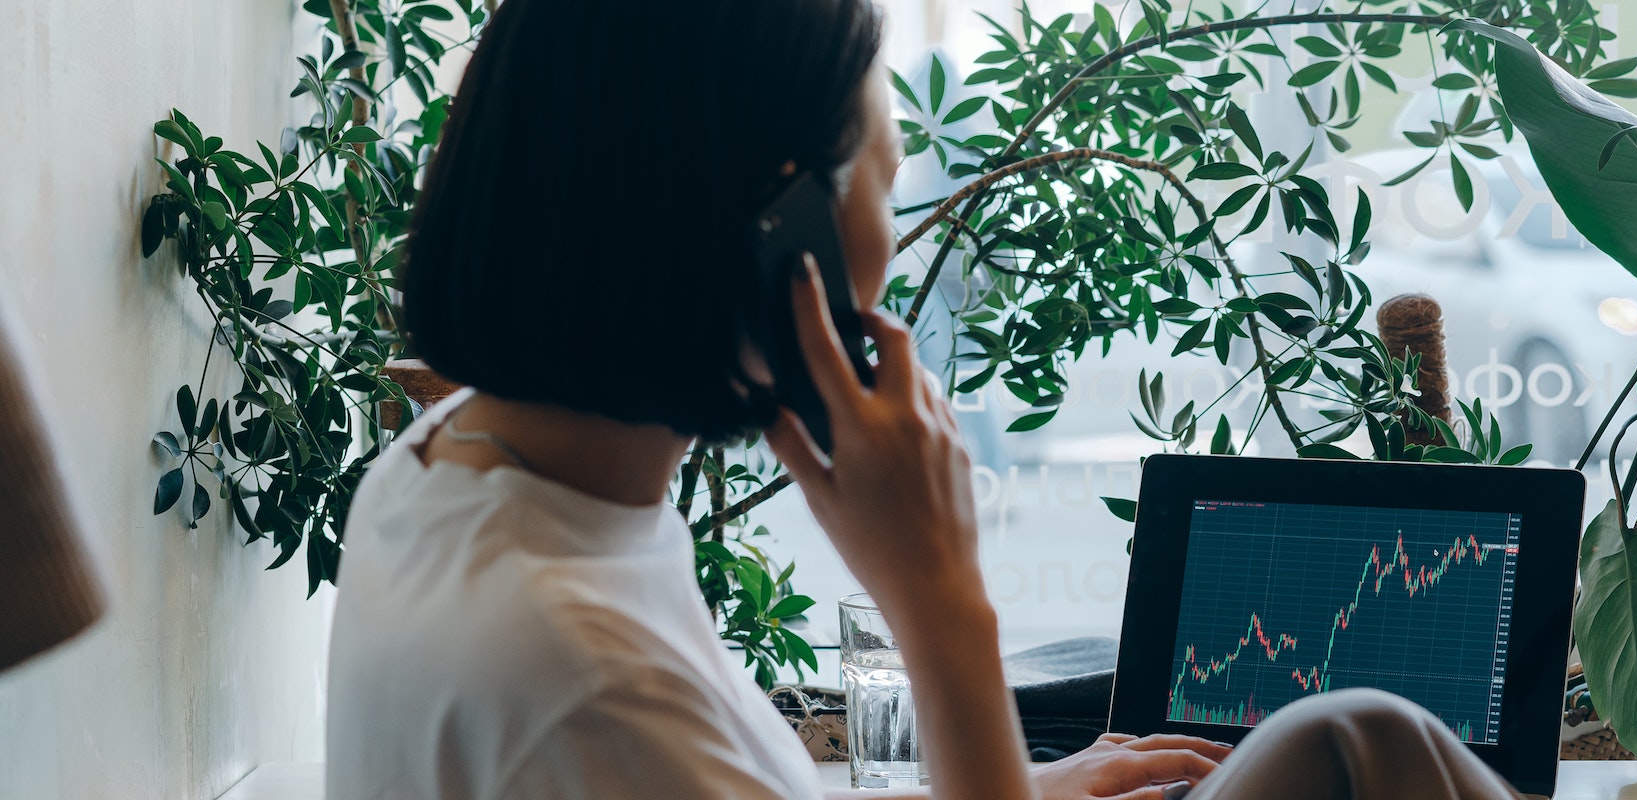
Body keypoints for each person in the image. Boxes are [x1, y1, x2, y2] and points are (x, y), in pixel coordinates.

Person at [324, 0, 1521, 798]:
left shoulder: (454, 465)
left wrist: (1003, 775)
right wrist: (942, 610)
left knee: (1341, 739)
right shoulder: (585, 676)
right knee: (1374, 744)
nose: (894, 242)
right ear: (776, 241)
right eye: (887, 186)